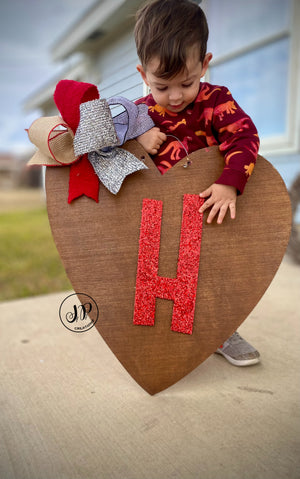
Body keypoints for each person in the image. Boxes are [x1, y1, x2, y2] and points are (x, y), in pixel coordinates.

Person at [134, 0, 260, 366]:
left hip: (206, 212)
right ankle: (151, 340)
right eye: (161, 86)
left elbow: (243, 138)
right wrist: (139, 138)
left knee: (211, 275)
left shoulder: (217, 101)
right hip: (158, 218)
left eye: (187, 83)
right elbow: (114, 152)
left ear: (204, 64)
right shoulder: (138, 114)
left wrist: (230, 183)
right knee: (152, 281)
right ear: (143, 74)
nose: (175, 96)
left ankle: (221, 331)